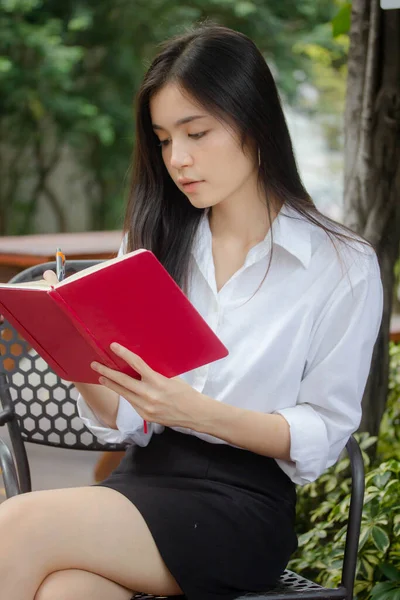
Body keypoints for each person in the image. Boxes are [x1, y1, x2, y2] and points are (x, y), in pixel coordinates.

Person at [0, 22, 383, 600]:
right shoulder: (153, 241)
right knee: (67, 590)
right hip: (141, 481)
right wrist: (75, 353)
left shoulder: (340, 263)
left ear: (253, 122)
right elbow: (127, 419)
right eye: (162, 139)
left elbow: (323, 432)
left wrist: (197, 412)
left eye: (196, 132)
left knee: (15, 525)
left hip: (239, 506)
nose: (178, 159)